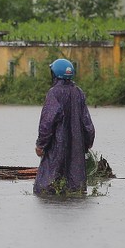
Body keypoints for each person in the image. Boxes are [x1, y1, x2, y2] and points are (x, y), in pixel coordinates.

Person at [34, 58, 96, 195]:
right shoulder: (78, 92)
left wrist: (41, 145)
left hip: (55, 148)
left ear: (55, 74)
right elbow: (88, 124)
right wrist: (87, 143)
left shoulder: (54, 93)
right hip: (77, 148)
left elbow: (46, 123)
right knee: (74, 189)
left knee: (47, 189)